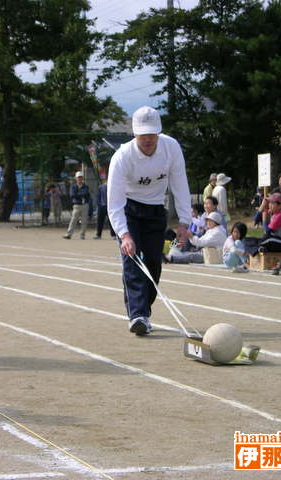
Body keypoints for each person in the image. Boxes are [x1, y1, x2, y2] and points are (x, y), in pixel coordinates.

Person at [108, 106, 191, 336]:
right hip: (129, 209)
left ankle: (144, 310)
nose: (147, 139)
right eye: (143, 135)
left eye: (151, 134)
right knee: (132, 261)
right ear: (135, 134)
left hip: (155, 209)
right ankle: (137, 315)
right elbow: (113, 202)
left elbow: (180, 185)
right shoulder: (122, 157)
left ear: (159, 133)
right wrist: (124, 235)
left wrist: (184, 222)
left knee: (154, 263)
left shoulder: (171, 148)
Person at [63, 171, 91, 239]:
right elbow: (72, 195)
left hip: (85, 205)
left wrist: (78, 194)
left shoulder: (86, 186)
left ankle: (82, 234)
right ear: (76, 178)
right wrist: (81, 194)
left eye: (81, 177)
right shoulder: (73, 186)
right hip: (76, 205)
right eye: (78, 177)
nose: (80, 179)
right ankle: (69, 234)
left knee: (84, 221)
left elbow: (86, 194)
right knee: (73, 220)